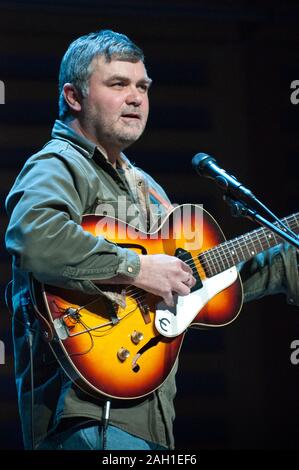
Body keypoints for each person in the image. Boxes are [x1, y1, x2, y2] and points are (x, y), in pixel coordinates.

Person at [5, 29, 299, 451]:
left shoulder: (149, 190)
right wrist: (139, 268)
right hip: (88, 419)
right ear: (73, 96)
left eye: (142, 86)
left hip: (151, 423)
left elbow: (202, 281)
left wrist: (285, 257)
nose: (136, 97)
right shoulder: (58, 165)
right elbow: (35, 236)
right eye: (118, 84)